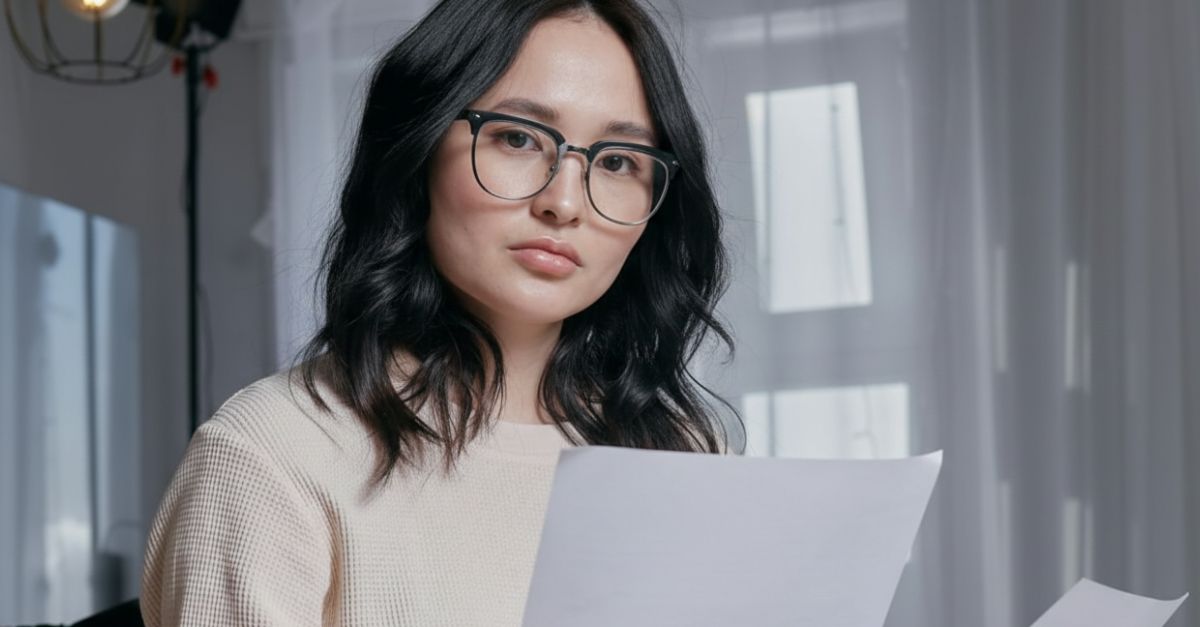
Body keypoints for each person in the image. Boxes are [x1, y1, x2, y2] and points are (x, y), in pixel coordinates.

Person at [139, 0, 738, 624]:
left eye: (617, 161)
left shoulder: (688, 455)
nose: (564, 202)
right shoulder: (272, 452)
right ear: (416, 150)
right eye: (517, 137)